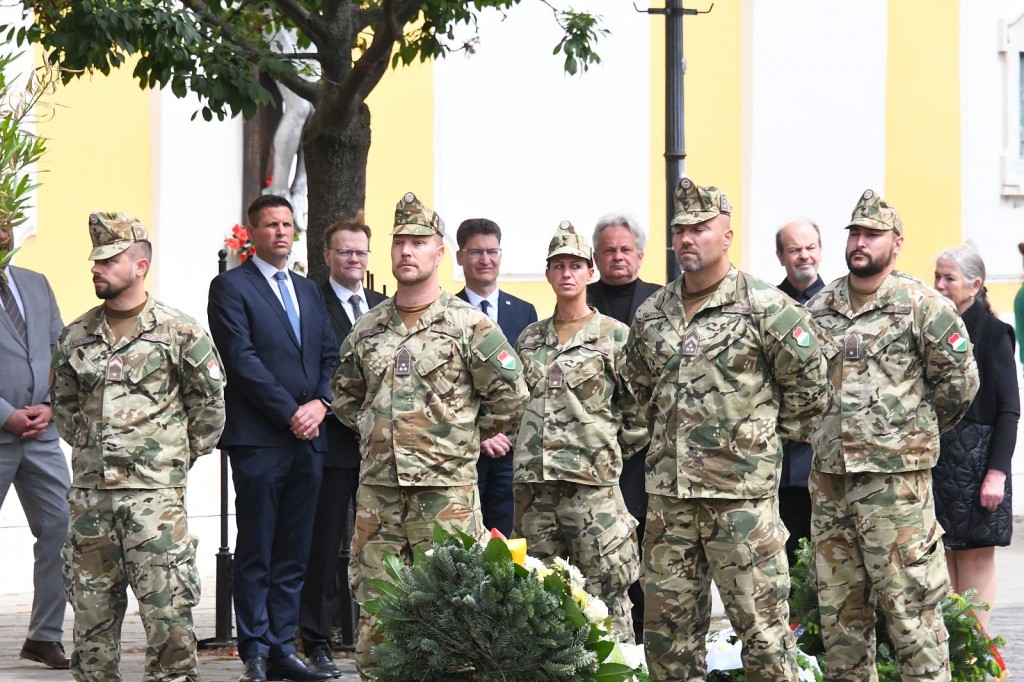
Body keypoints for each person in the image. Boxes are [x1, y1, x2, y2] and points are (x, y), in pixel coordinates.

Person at [623, 178, 827, 680]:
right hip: (669, 504)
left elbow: (811, 388)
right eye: (680, 230)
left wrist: (757, 442)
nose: (687, 238)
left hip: (741, 505)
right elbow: (638, 391)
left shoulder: (766, 307)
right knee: (667, 644)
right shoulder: (652, 314)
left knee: (764, 639)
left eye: (700, 228)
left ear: (727, 235)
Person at [330, 192, 528, 678]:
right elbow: (346, 396)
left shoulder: (469, 325)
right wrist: (378, 433)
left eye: (418, 242)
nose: (406, 251)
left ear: (439, 253)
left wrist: (460, 436)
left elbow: (510, 394)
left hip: (446, 496)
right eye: (399, 241)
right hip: (379, 495)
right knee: (377, 608)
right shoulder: (368, 328)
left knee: (455, 611)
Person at [808, 190, 979, 681]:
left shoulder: (924, 306)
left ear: (896, 243)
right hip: (832, 483)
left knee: (912, 614)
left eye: (873, 234)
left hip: (897, 490)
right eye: (855, 234)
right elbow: (801, 385)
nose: (860, 243)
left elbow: (960, 384)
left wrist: (908, 434)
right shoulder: (819, 308)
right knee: (840, 619)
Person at [51, 212, 225, 682]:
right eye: (95, 260)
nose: (97, 268)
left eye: (109, 260)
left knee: (169, 619)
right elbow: (64, 408)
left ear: (140, 266)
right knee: (90, 623)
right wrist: (96, 454)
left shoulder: (179, 332)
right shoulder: (76, 336)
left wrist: (170, 459)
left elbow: (209, 406)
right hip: (90, 501)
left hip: (155, 503)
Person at [208, 195, 338, 682]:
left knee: (294, 549)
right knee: (257, 548)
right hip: (261, 440)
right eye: (271, 225)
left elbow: (330, 355)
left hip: (309, 439)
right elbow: (241, 360)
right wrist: (290, 413)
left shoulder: (307, 289)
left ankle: (283, 646)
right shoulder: (230, 286)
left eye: (287, 224)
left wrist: (321, 403)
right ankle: (256, 651)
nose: (281, 232)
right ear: (252, 233)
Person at [512, 221, 646, 641]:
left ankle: (618, 667)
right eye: (558, 266)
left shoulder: (615, 336)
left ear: (590, 272)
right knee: (537, 599)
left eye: (575, 265)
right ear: (548, 274)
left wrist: (603, 450)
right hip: (535, 492)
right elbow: (516, 405)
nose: (566, 273)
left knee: (608, 595)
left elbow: (640, 411)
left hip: (592, 492)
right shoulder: (530, 339)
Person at [298, 212, 386, 670]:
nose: (354, 258)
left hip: (381, 449)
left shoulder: (384, 305)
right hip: (331, 443)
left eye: (360, 252)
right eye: (345, 251)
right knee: (324, 544)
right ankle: (316, 640)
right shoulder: (311, 302)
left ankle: (389, 636)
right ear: (327, 255)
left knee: (382, 543)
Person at [932, 246, 1018, 631]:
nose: (939, 285)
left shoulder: (996, 334)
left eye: (948, 278)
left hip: (978, 463)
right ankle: (948, 652)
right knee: (943, 560)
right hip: (940, 461)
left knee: (974, 560)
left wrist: (996, 473)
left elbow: (1009, 411)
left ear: (974, 285)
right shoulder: (933, 329)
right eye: (937, 276)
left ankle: (973, 651)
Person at [587, 213, 661, 644]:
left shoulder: (660, 301)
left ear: (640, 255)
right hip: (595, 449)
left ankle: (646, 642)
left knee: (646, 546)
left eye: (625, 249)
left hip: (649, 450)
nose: (618, 257)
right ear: (596, 257)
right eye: (609, 250)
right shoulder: (581, 300)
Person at [0, 223, 71, 670]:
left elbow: (60, 352)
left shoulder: (36, 283)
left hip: (41, 434)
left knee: (63, 527)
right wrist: (3, 413)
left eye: (5, 225)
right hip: (2, 427)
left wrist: (50, 405)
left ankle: (44, 636)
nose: (1, 235)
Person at [455, 217, 538, 536]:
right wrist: (483, 432)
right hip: (464, 448)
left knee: (505, 540)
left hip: (511, 450)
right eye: (476, 252)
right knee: (463, 538)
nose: (485, 259)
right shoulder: (448, 312)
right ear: (460, 257)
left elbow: (527, 380)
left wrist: (505, 433)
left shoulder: (523, 311)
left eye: (492, 251)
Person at [774, 219, 825, 565]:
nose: (804, 256)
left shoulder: (839, 304)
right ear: (781, 256)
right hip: (779, 454)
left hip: (825, 455)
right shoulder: (768, 305)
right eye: (794, 249)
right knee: (785, 557)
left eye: (810, 247)